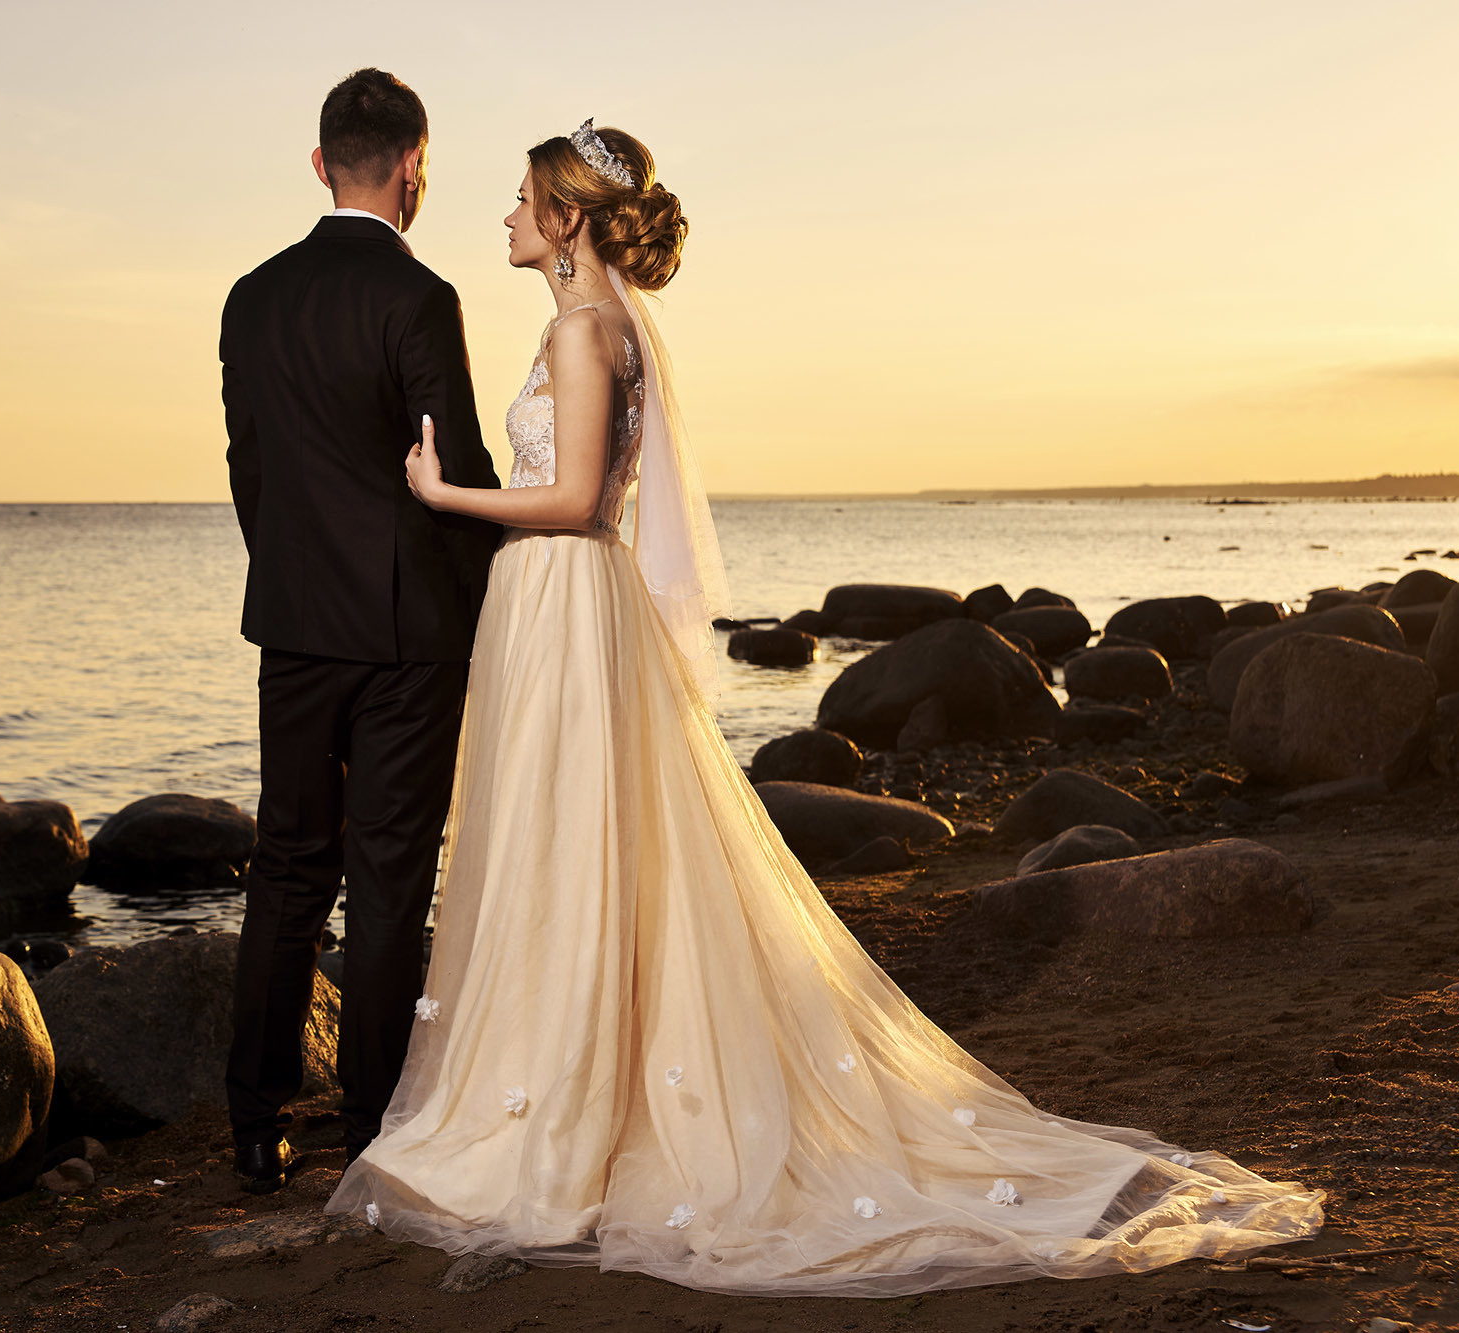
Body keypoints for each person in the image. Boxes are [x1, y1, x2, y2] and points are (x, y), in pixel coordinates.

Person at [323, 119, 1325, 1295]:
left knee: (566, 844)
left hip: (564, 596)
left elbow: (580, 496)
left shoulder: (581, 327)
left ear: (566, 221)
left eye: (520, 198)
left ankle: (552, 1112)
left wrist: (448, 493)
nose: (500, 213)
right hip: (565, 608)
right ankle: (559, 1082)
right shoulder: (609, 327)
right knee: (573, 844)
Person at [220, 68, 503, 1193]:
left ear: (319, 161)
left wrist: (292, 574)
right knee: (386, 877)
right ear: (411, 166)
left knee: (285, 867)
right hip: (405, 633)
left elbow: (250, 469)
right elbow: (460, 472)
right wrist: (500, 606)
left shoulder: (252, 295)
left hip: (293, 625)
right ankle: (373, 1129)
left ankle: (252, 1122)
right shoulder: (419, 297)